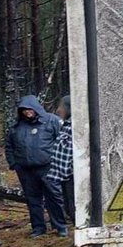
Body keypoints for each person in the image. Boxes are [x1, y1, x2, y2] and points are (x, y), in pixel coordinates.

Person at [5, 95, 68, 238]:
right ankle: (38, 228)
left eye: (30, 109)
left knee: (54, 197)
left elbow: (63, 141)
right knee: (33, 199)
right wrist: (14, 164)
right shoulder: (16, 127)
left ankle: (60, 226)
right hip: (25, 169)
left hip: (48, 167)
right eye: (24, 110)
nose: (27, 112)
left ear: (36, 108)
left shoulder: (52, 121)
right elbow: (9, 146)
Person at [47, 95, 75, 223]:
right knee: (69, 208)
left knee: (74, 208)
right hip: (64, 176)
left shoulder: (75, 126)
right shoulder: (66, 125)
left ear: (69, 108)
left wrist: (70, 170)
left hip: (72, 176)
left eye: (61, 107)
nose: (58, 110)